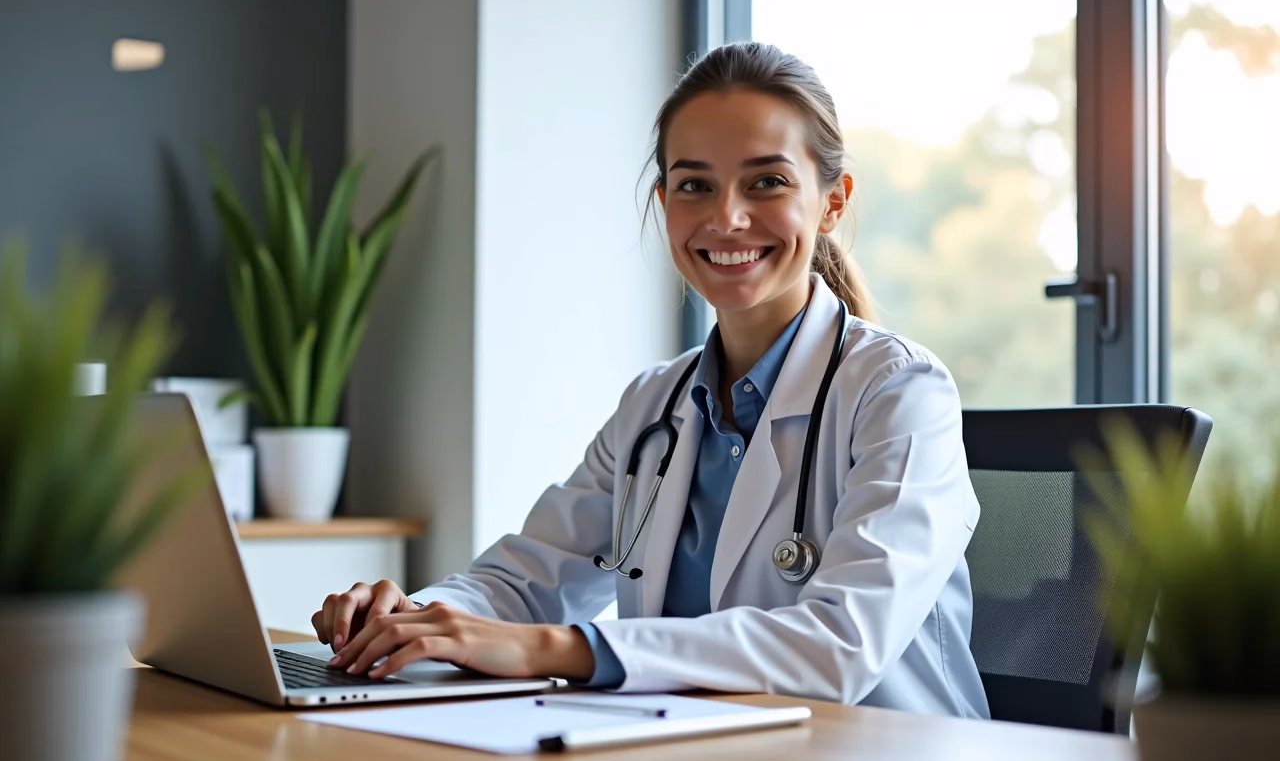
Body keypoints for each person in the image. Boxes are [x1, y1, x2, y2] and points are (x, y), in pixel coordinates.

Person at [314, 41, 989, 718]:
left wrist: (553, 650)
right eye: (695, 185)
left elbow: (840, 645)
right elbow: (526, 580)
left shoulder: (900, 393)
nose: (727, 217)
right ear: (666, 202)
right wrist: (414, 617)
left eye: (767, 182)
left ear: (832, 202)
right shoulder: (653, 407)